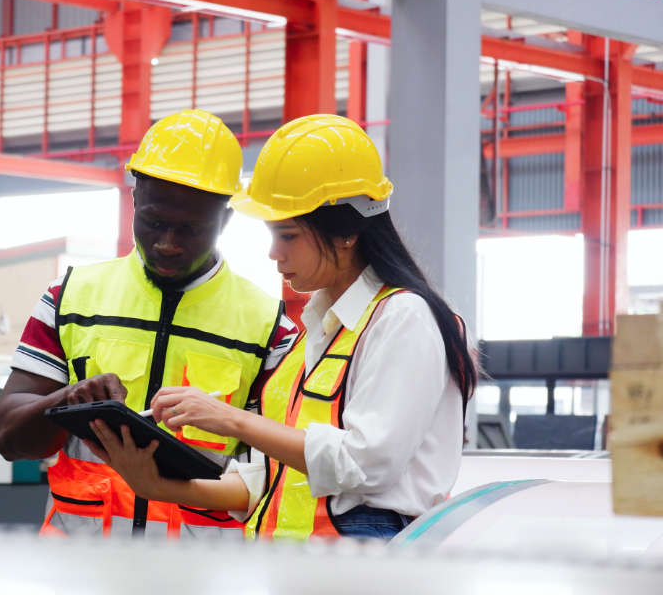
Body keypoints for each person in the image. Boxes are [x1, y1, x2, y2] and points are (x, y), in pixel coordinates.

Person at [86, 114, 477, 541]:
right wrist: (156, 487)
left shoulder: (404, 318)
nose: (274, 253)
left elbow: (365, 465)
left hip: (362, 561)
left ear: (347, 232)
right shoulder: (317, 332)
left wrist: (229, 419)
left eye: (288, 235)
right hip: (299, 562)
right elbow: (271, 480)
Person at [0, 109, 298, 538]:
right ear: (135, 200)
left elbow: (277, 477)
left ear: (225, 220)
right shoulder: (70, 298)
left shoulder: (269, 328)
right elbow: (9, 438)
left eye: (190, 229)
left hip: (198, 569)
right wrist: (67, 401)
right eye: (154, 222)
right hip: (77, 563)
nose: (168, 244)